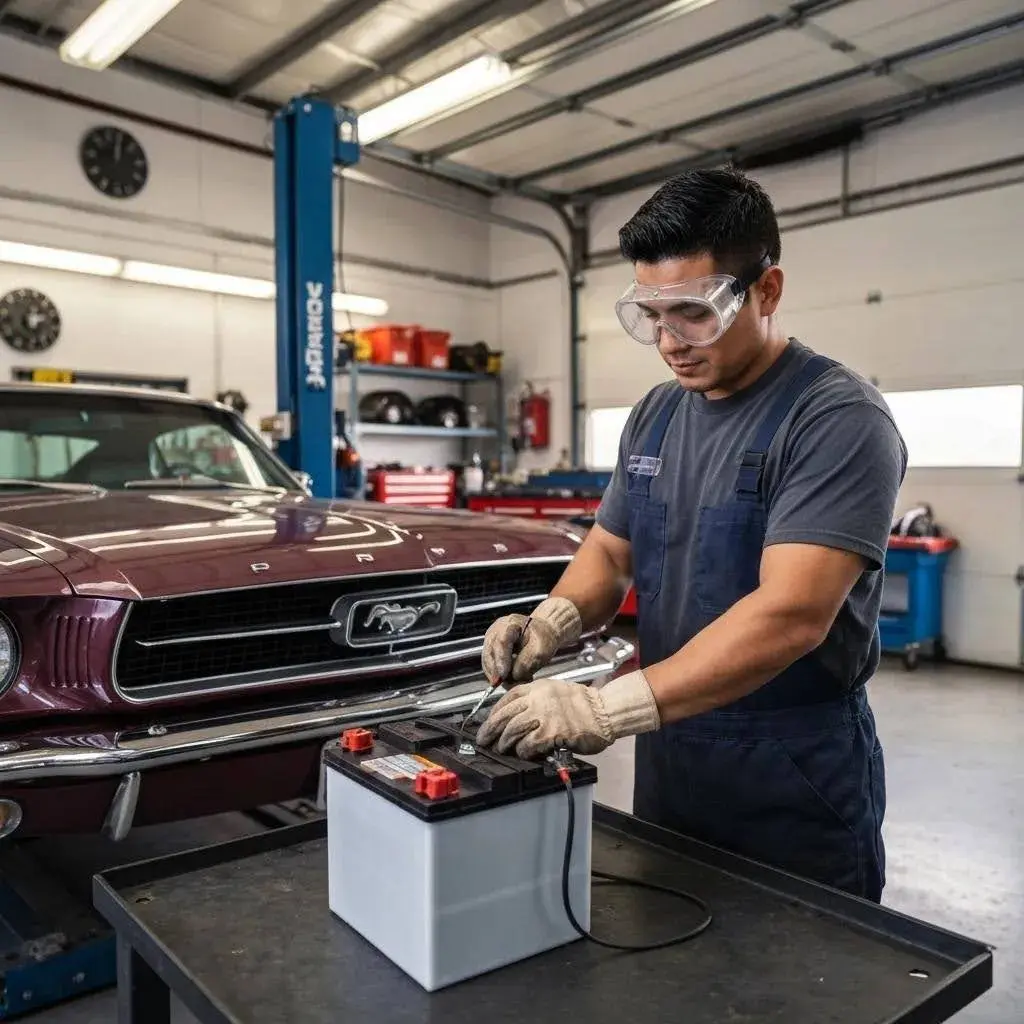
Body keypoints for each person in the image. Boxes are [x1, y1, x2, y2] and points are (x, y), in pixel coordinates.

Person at [477, 168, 907, 902]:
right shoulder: (656, 414)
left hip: (790, 771)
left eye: (692, 313)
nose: (669, 342)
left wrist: (602, 708)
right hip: (674, 755)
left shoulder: (836, 418)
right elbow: (612, 553)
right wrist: (553, 620)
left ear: (766, 292)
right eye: (651, 315)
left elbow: (792, 616)